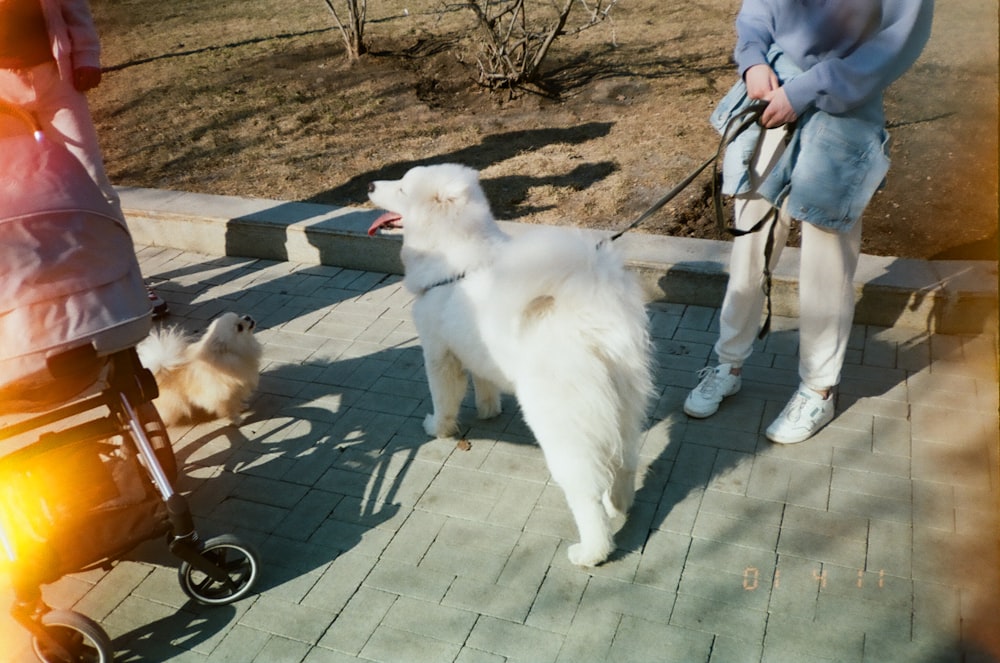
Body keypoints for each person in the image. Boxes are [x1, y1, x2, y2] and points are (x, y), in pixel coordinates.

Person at [684, 0, 934, 443]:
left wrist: (806, 91)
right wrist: (753, 59)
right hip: (772, 90)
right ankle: (728, 362)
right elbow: (759, 9)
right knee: (751, 242)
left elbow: (894, 43)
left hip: (845, 106)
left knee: (827, 259)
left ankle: (819, 388)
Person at [0, 0, 168, 317]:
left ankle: (127, 279)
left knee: (93, 181)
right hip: (2, 93)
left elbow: (75, 8)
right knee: (11, 194)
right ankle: (26, 295)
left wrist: (87, 55)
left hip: (55, 78)